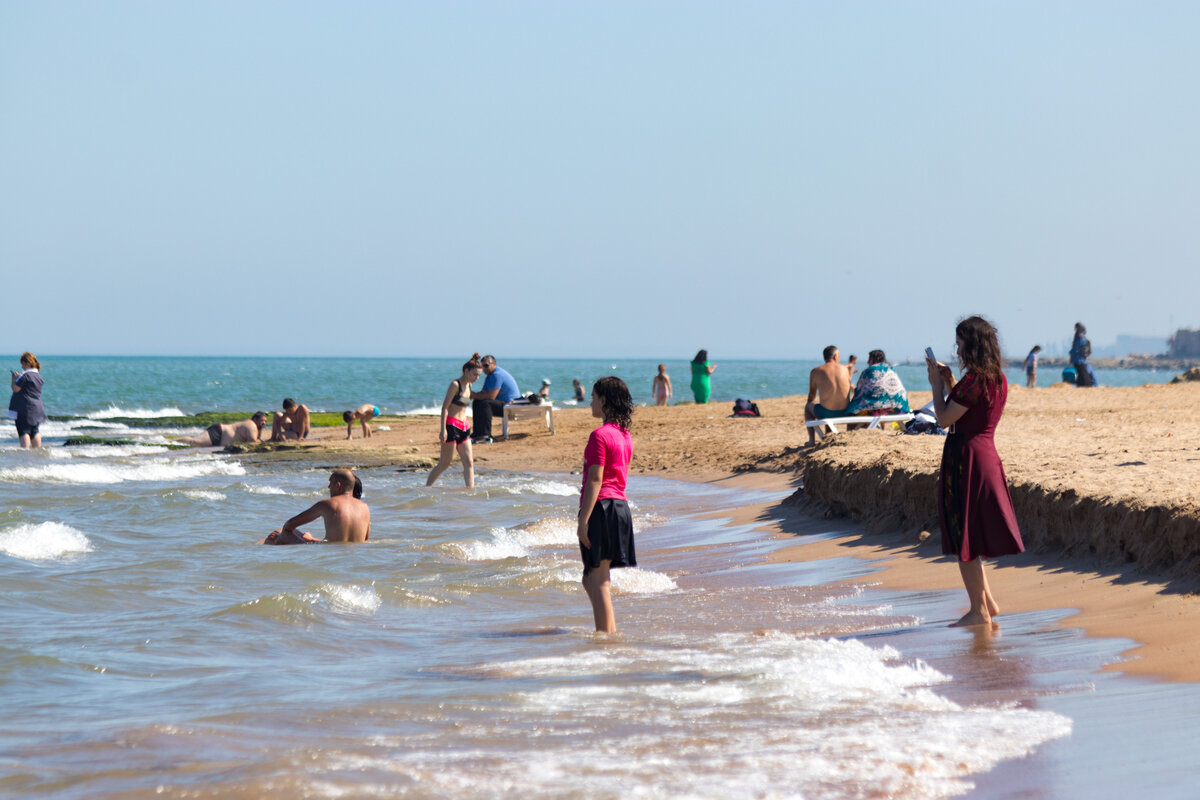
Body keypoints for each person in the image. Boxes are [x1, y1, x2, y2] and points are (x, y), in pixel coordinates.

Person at [926, 315, 1024, 627]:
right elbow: (968, 411)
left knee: (963, 537)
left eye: (960, 343)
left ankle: (977, 611)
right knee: (971, 534)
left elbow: (943, 419)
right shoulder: (996, 379)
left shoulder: (975, 381)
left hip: (966, 458)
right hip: (985, 455)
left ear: (973, 345)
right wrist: (950, 383)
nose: (956, 349)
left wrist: (935, 387)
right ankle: (987, 603)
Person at [577, 376, 636, 634]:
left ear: (604, 400)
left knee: (598, 581)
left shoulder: (600, 435)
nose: (591, 402)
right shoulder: (625, 436)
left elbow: (595, 480)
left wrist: (582, 521)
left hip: (602, 508)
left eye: (593, 397)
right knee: (592, 579)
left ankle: (606, 639)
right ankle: (609, 634)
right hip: (621, 508)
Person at [259, 469, 371, 544]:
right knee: (297, 533)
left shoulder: (328, 504)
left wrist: (280, 539)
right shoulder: (365, 508)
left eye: (330, 483)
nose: (328, 487)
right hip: (354, 558)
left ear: (338, 485)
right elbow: (361, 542)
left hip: (330, 558)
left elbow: (289, 525)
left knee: (280, 534)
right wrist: (312, 540)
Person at [428, 354, 482, 488]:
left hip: (465, 427)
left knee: (469, 462)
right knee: (445, 463)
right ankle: (427, 488)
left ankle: (470, 491)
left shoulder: (469, 386)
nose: (477, 378)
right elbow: (444, 408)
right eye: (475, 374)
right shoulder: (455, 385)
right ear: (466, 371)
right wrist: (443, 430)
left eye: (479, 375)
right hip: (451, 426)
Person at [804, 345, 853, 445]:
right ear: (835, 356)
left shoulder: (816, 371)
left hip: (826, 413)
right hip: (846, 411)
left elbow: (812, 395)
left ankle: (811, 440)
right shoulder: (845, 369)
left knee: (808, 406)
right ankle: (834, 435)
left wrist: (810, 401)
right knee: (828, 404)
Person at [471, 354, 521, 444]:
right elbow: (483, 393)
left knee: (486, 403)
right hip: (505, 404)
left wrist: (471, 394)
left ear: (494, 364)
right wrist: (472, 395)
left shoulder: (497, 375)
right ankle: (477, 433)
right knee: (477, 402)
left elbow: (491, 396)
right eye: (482, 367)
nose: (484, 369)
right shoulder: (489, 376)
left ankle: (486, 434)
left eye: (486, 365)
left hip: (511, 406)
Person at [845, 350, 909, 416]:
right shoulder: (891, 369)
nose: (867, 362)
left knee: (852, 411)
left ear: (877, 358)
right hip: (900, 410)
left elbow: (859, 392)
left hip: (877, 411)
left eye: (869, 359)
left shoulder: (868, 371)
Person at [9, 352, 46, 449]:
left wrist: (13, 379)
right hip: (37, 408)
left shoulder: (25, 376)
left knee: (23, 431)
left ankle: (25, 454)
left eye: (22, 364)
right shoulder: (38, 376)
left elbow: (15, 388)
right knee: (35, 431)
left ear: (28, 363)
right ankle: (37, 453)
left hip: (24, 408)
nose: (22, 367)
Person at [177, 412, 268, 447]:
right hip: (219, 432)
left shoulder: (255, 428)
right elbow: (251, 441)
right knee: (194, 442)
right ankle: (169, 441)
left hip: (220, 439)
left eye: (265, 421)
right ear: (255, 419)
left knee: (196, 444)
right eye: (262, 421)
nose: (264, 423)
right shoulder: (251, 425)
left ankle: (172, 442)